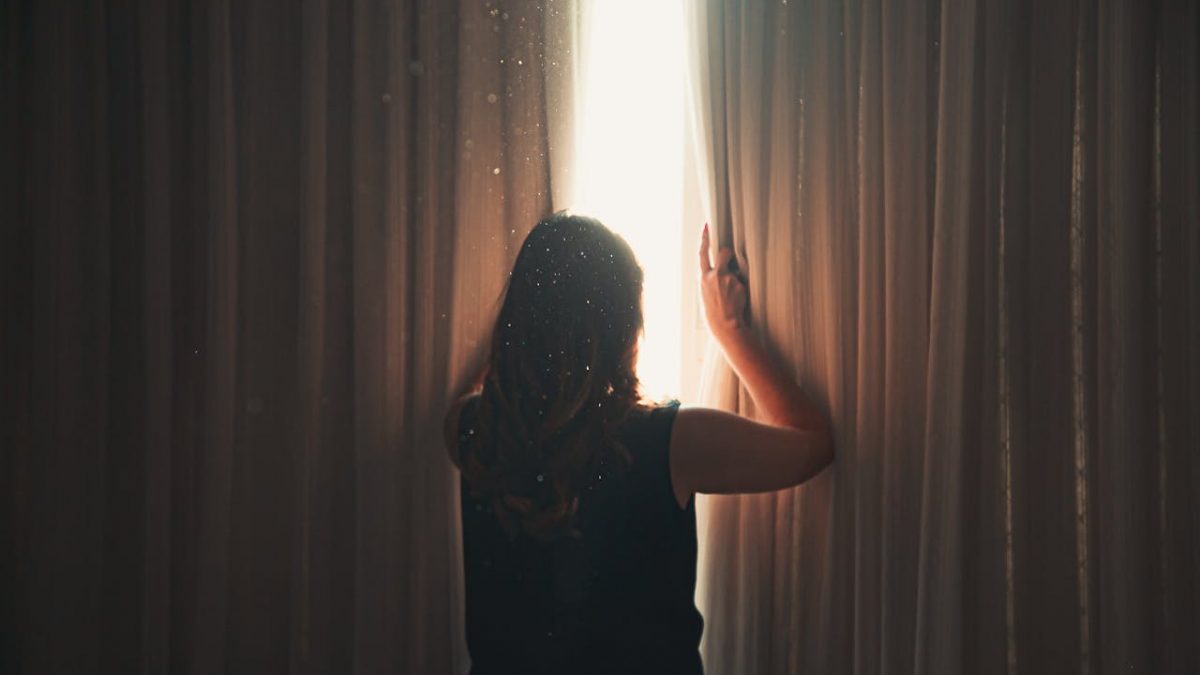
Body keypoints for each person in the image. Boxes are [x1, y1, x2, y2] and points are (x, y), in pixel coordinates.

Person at [444, 212, 833, 674]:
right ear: (621, 329)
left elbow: (493, 382)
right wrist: (731, 332)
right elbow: (812, 444)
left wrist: (528, 332)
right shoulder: (667, 444)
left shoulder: (473, 430)